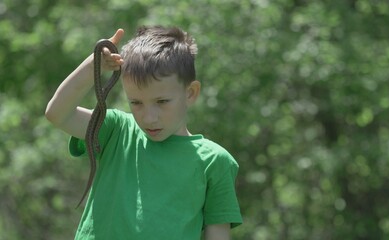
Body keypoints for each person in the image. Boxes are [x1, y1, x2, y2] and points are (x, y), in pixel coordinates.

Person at [45, 26, 242, 240]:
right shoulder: (117, 130)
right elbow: (58, 114)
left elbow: (218, 234)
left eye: (162, 102)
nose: (148, 117)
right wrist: (93, 67)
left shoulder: (215, 162)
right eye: (136, 103)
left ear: (190, 93)